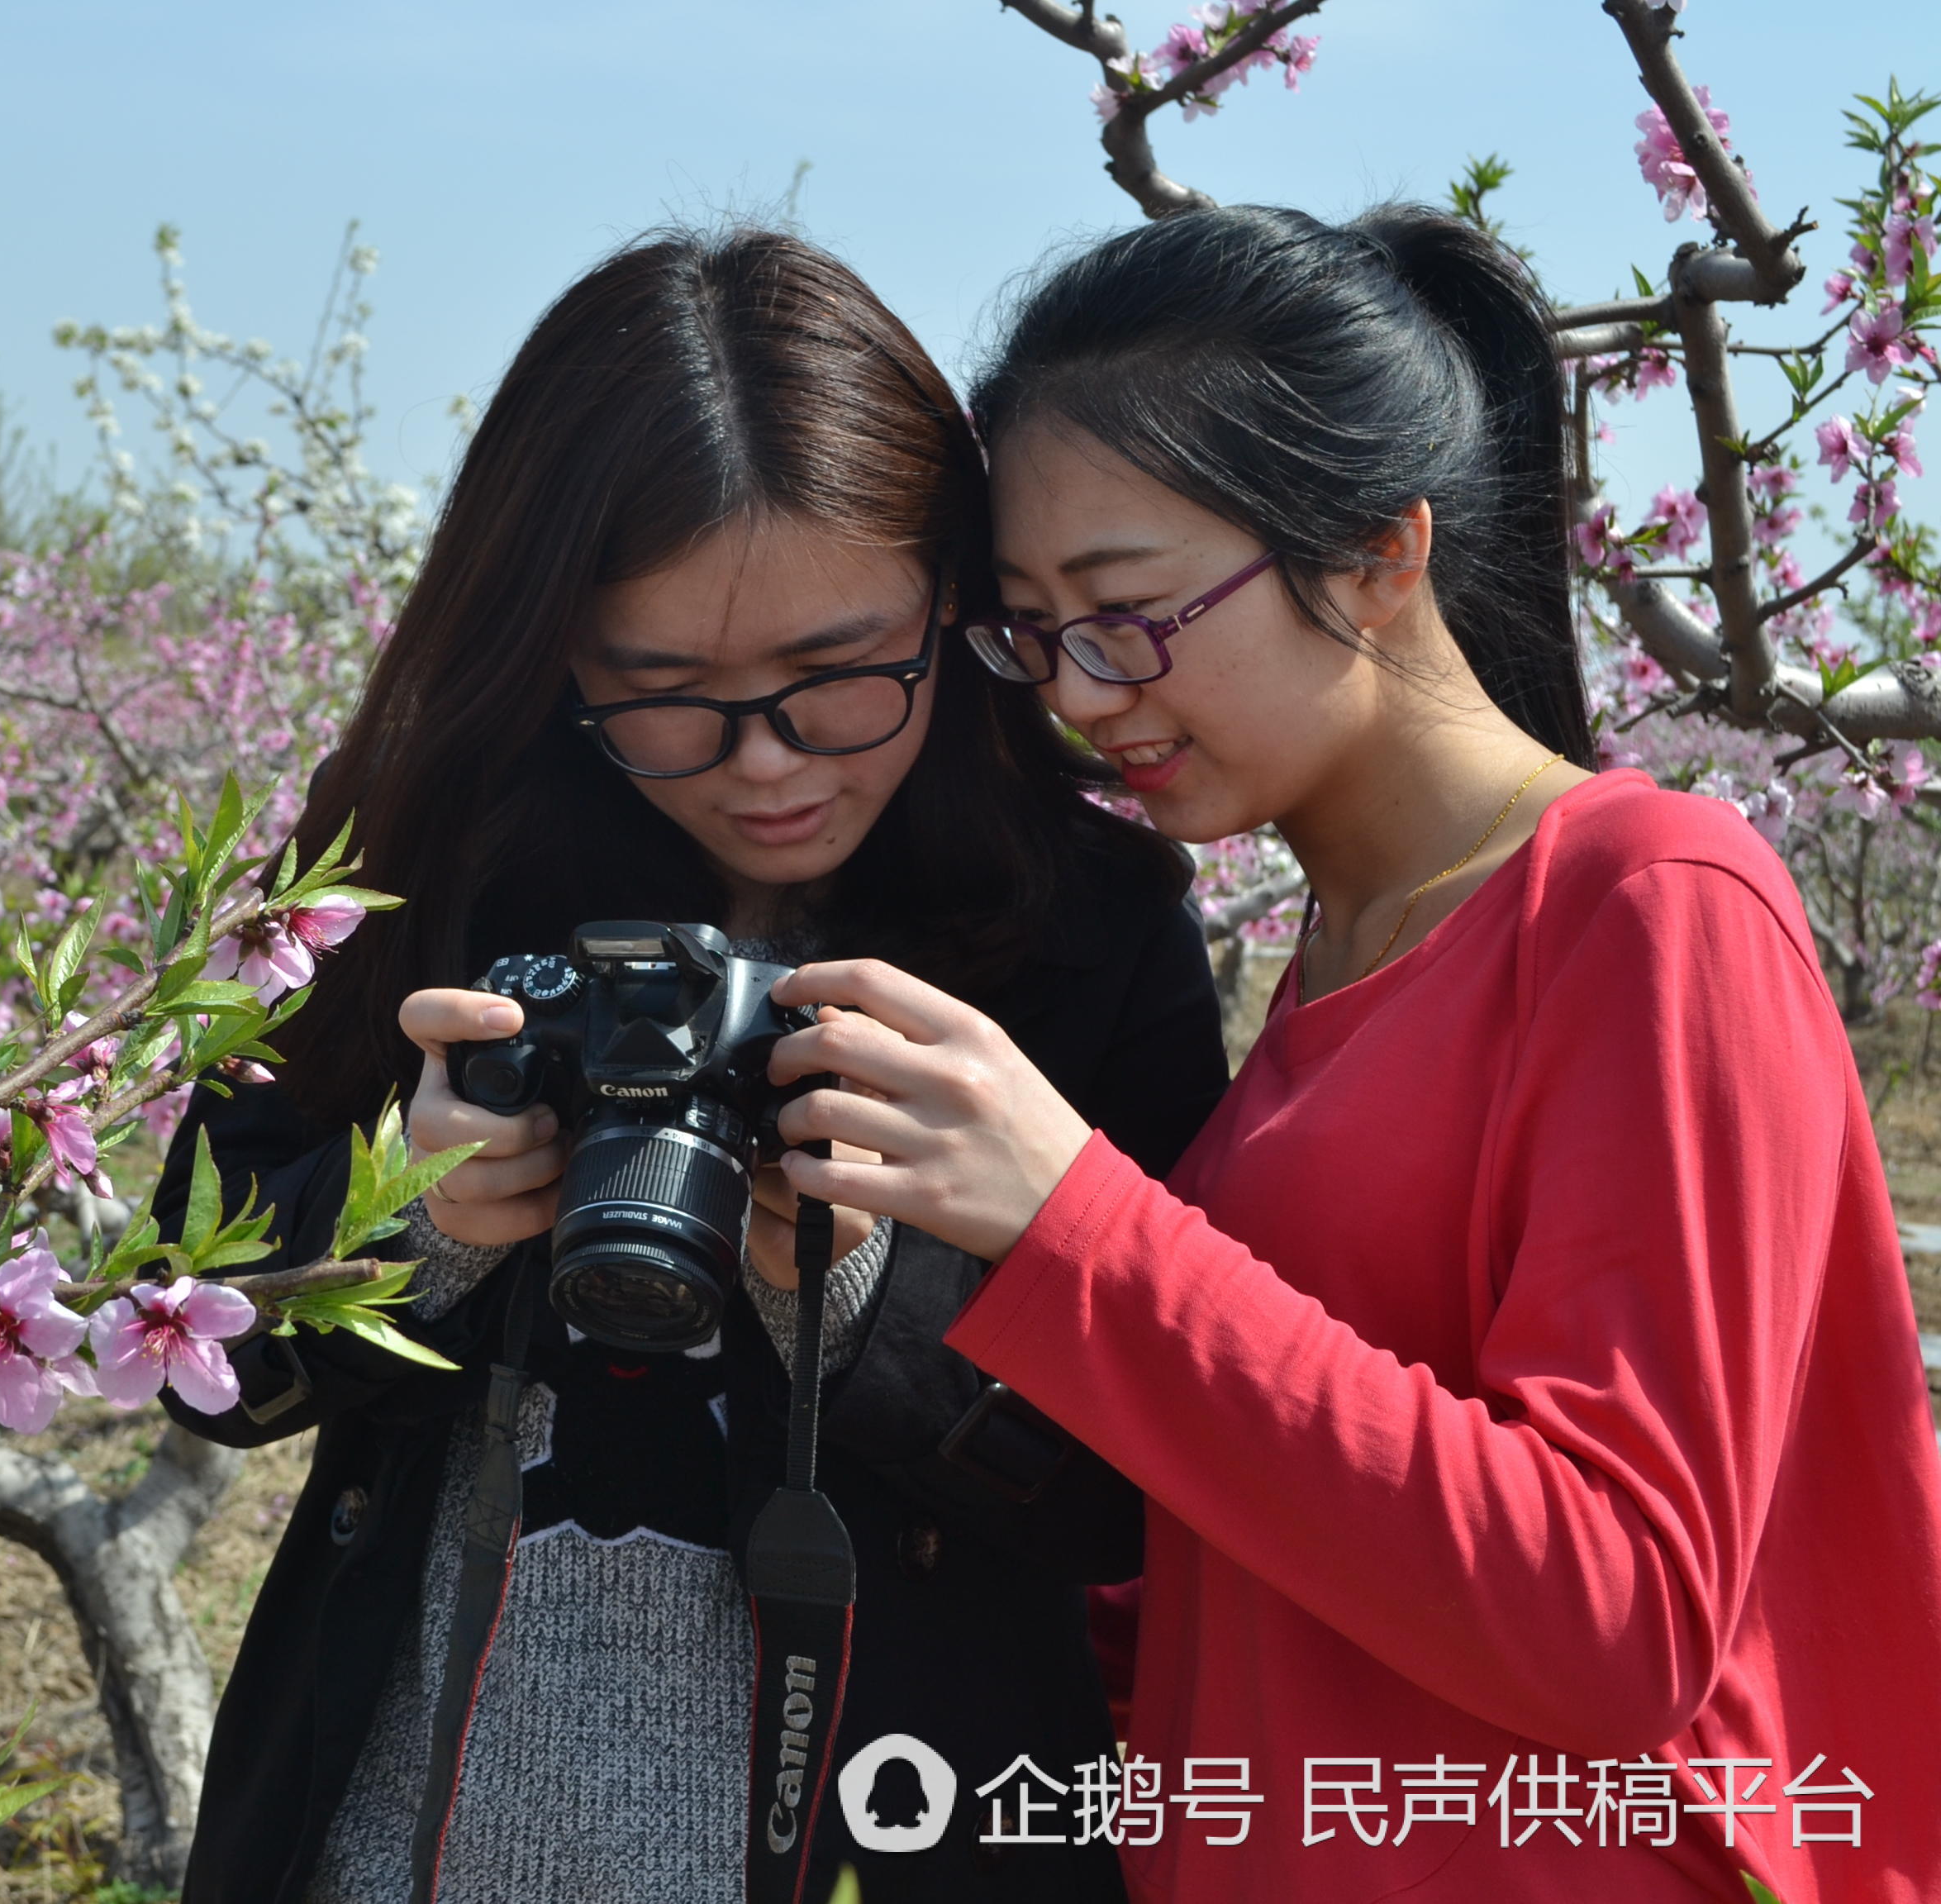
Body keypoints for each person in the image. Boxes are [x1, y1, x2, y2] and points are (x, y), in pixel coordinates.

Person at [765, 202, 1941, 1903]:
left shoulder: (1650, 901)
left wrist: (1078, 1221)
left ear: (1383, 555)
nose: (1082, 694)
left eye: (1132, 611)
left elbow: (1619, 1616)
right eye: (1033, 632)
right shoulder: (1338, 955)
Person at [148, 226, 1230, 1904]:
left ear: (956, 607)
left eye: (839, 676)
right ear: (552, 646)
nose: (768, 765)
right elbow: (191, 1350)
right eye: (666, 693)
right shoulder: (426, 866)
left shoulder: (1086, 931)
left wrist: (863, 1297)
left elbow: (1146, 1482)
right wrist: (410, 1223)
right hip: (399, 1832)